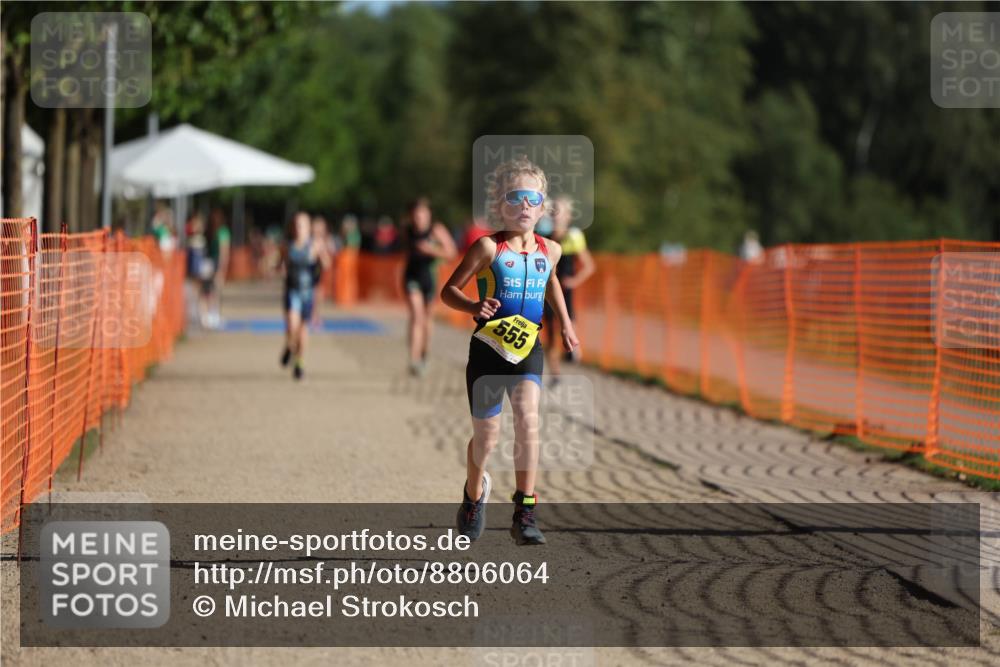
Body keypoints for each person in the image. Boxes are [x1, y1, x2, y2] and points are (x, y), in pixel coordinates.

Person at [441, 157, 579, 546]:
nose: (523, 205)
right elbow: (448, 291)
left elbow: (550, 283)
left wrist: (566, 324)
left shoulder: (550, 249)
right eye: (514, 197)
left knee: (528, 420)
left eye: (531, 198)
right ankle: (473, 496)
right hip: (487, 350)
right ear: (499, 204)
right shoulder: (487, 247)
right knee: (486, 438)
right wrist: (472, 308)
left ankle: (525, 511)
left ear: (542, 206)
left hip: (528, 350)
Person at [402, 197, 457, 376]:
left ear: (428, 215)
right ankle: (414, 359)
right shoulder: (408, 230)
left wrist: (431, 250)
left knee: (426, 320)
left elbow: (451, 252)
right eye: (416, 214)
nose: (419, 218)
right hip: (411, 276)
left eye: (422, 214)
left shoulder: (436, 230)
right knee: (416, 316)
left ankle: (424, 354)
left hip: (429, 278)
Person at [542, 195, 595, 381]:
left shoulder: (573, 237)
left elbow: (589, 266)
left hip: (566, 290)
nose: (557, 216)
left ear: (568, 216)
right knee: (549, 333)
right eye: (554, 211)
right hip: (547, 290)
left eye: (561, 212)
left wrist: (574, 281)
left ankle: (573, 352)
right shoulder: (544, 239)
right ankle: (555, 372)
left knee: (570, 323)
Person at [281, 212, 331, 380]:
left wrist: (322, 253)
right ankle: (289, 346)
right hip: (292, 291)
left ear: (308, 228)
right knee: (292, 325)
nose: (298, 228)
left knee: (303, 330)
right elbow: (281, 264)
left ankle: (299, 362)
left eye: (302, 225)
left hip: (307, 293)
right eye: (296, 225)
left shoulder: (314, 245)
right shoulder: (288, 246)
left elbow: (327, 264)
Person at [199, 208, 231, 330]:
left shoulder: (209, 230)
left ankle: (207, 316)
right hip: (215, 263)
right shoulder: (223, 232)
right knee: (214, 291)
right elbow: (224, 252)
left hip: (207, 263)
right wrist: (222, 269)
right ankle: (213, 316)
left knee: (206, 291)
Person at [309, 215, 336, 329]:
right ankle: (309, 316)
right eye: (316, 226)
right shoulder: (308, 240)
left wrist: (323, 251)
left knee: (318, 295)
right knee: (309, 295)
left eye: (321, 227)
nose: (318, 229)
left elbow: (328, 263)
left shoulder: (327, 240)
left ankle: (316, 316)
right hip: (307, 272)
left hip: (318, 273)